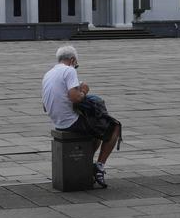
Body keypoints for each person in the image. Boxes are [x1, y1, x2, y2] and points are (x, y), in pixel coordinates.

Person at [42, 45, 121, 188]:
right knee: (114, 126)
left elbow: (44, 105)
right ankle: (99, 166)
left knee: (96, 130)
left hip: (58, 121)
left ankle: (84, 163)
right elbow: (75, 98)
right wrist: (83, 90)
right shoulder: (69, 70)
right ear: (72, 60)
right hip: (70, 122)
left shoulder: (48, 74)